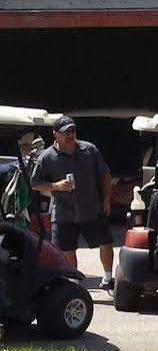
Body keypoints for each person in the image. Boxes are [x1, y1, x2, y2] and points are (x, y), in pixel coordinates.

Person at [30, 117, 115, 288]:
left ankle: (108, 278)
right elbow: (35, 183)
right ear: (55, 134)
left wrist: (106, 199)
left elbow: (104, 175)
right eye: (65, 132)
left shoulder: (89, 150)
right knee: (67, 250)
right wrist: (56, 186)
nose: (70, 135)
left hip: (92, 208)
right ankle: (74, 283)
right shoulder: (47, 157)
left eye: (72, 131)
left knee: (105, 242)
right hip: (64, 212)